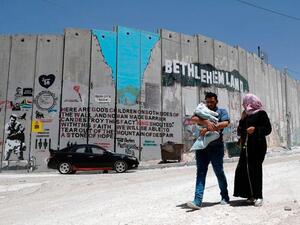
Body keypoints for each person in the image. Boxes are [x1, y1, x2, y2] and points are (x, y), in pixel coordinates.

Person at [187, 92, 230, 210]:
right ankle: (197, 201)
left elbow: (225, 123)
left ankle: (225, 197)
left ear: (216, 101)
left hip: (216, 147)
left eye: (212, 101)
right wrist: (206, 122)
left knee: (219, 172)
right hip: (202, 147)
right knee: (200, 173)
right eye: (208, 102)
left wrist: (209, 128)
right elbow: (193, 118)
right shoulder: (202, 110)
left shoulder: (221, 112)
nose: (210, 104)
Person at [233, 93, 272, 207]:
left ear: (251, 103)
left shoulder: (261, 113)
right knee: (244, 170)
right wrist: (242, 119)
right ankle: (250, 195)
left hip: (258, 146)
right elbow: (240, 131)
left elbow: (268, 129)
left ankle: (258, 196)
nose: (243, 105)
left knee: (255, 170)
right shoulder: (246, 115)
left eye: (245, 102)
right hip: (246, 147)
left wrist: (255, 129)